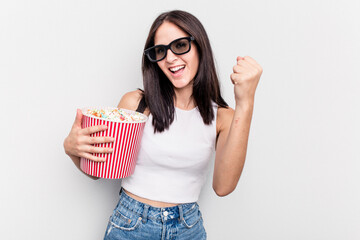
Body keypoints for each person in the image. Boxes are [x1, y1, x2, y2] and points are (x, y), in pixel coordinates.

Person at [63, 10, 262, 240]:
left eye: (179, 45)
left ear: (200, 47)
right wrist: (72, 151)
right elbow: (101, 170)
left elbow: (224, 186)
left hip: (188, 228)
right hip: (130, 225)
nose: (169, 59)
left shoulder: (223, 117)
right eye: (160, 51)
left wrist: (246, 101)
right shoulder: (136, 104)